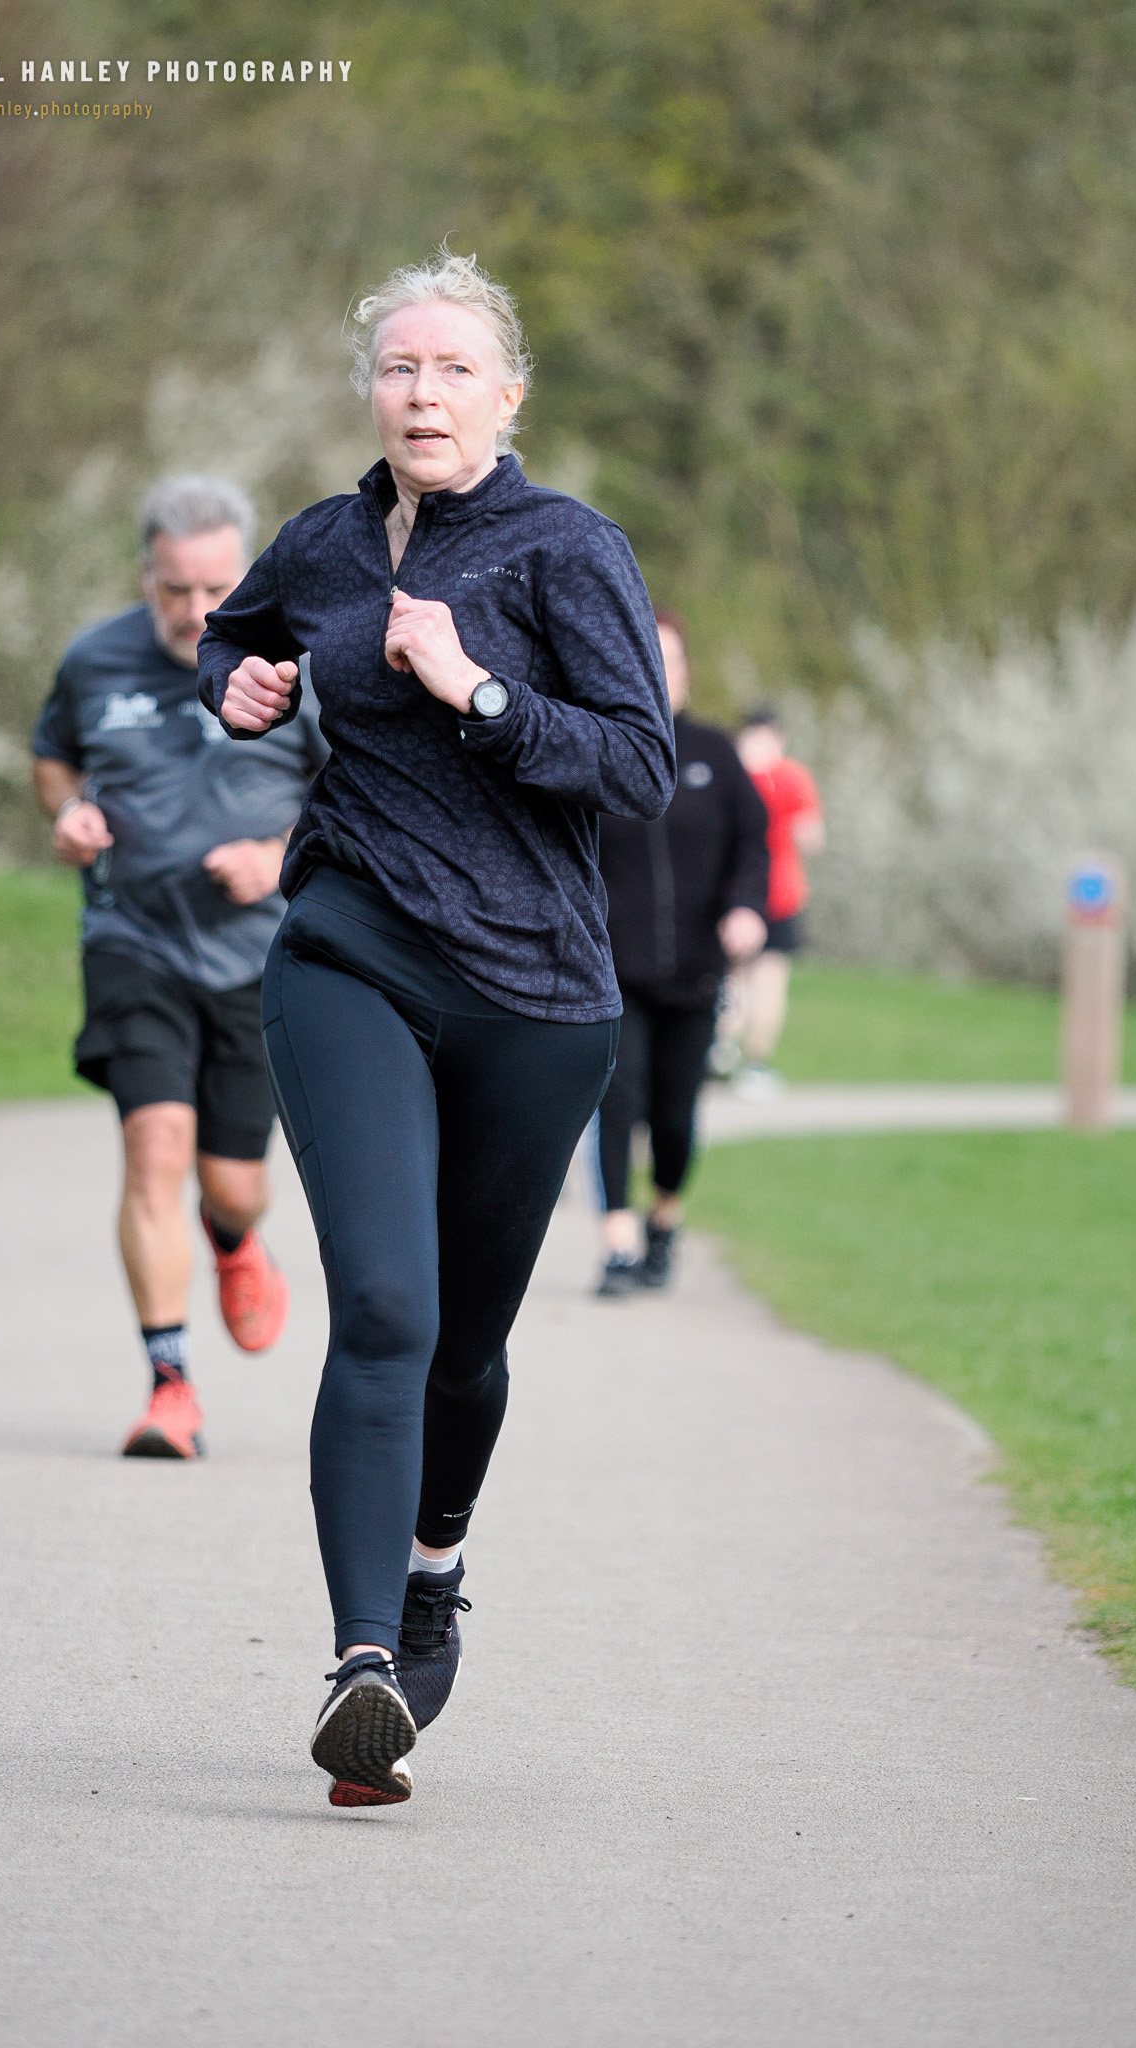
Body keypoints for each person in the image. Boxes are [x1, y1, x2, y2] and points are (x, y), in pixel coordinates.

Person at [199, 249, 674, 1807]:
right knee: (388, 1309)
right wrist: (243, 684)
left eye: (453, 368)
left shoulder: (565, 550)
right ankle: (361, 1669)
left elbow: (636, 770)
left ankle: (432, 1575)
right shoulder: (325, 545)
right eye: (399, 367)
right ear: (370, 390)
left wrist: (475, 693)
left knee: (466, 1344)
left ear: (507, 393)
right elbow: (240, 634)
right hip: (353, 953)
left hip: (540, 999)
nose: (423, 391)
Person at [31, 475, 326, 1459]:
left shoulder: (299, 661)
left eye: (215, 588)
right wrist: (68, 812)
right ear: (146, 577)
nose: (196, 612)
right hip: (133, 938)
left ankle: (237, 1239)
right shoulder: (94, 657)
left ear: (245, 573)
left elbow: (358, 797)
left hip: (258, 957)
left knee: (232, 1184)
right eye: (174, 591)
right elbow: (53, 756)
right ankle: (170, 1385)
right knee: (153, 1147)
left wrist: (276, 854)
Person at [593, 610, 768, 1296]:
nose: (655, 672)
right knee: (615, 1097)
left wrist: (746, 909)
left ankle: (663, 1219)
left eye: (668, 659)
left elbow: (754, 844)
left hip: (695, 971)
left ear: (687, 671)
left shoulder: (715, 757)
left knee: (672, 1116)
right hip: (612, 972)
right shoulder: (597, 748)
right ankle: (616, 1242)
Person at [726, 706, 824, 1099]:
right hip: (781, 892)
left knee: (731, 977)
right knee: (769, 981)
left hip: (733, 891)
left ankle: (721, 1047)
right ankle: (754, 1065)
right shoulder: (791, 776)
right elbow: (811, 838)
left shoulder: (732, 771)